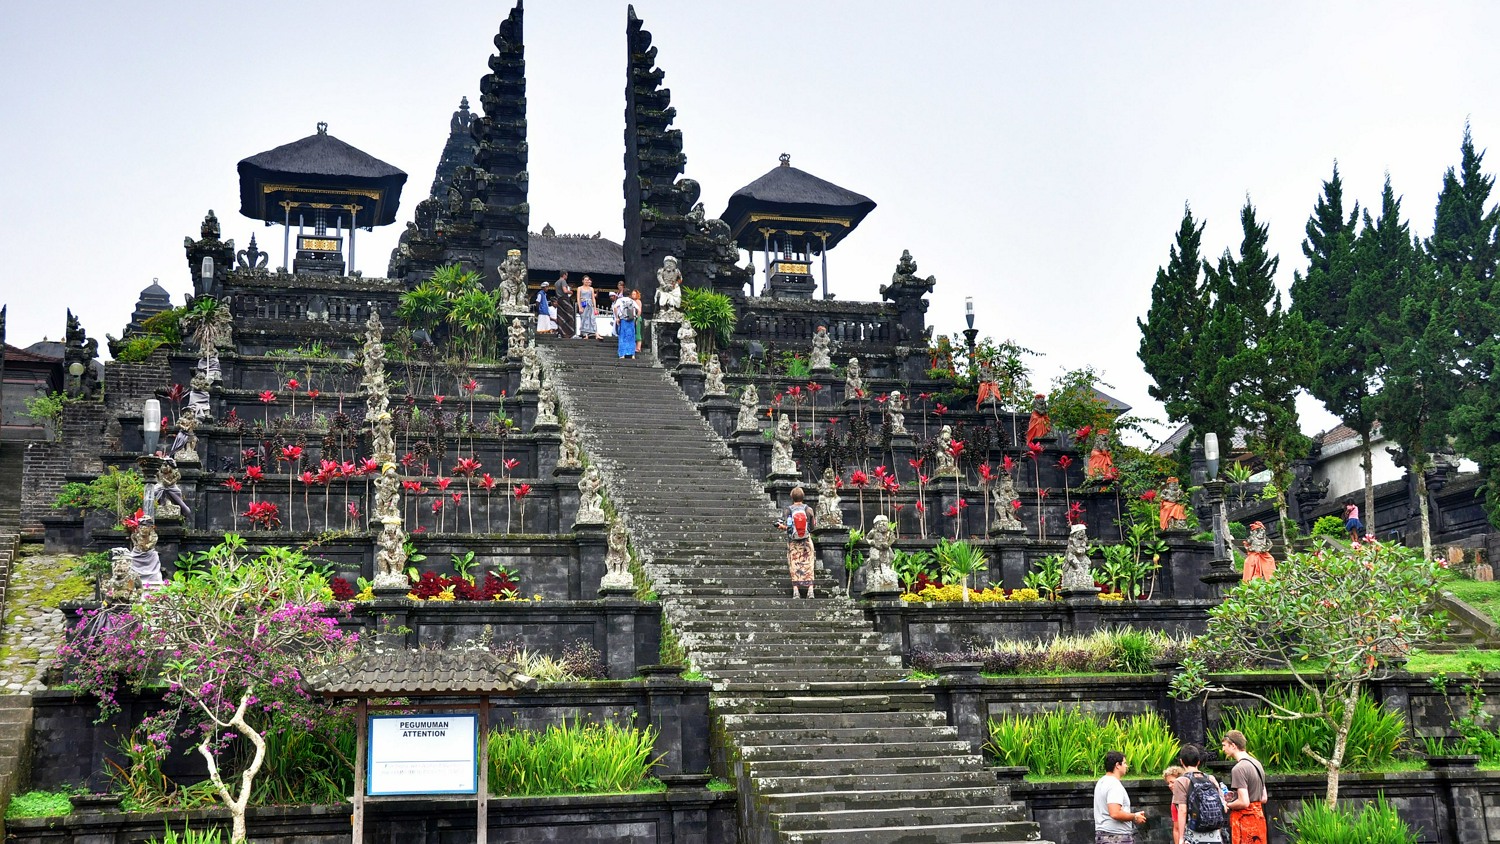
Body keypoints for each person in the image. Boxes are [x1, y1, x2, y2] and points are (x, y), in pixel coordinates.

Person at [1171, 745, 1227, 844]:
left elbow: (1182, 810)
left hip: (1193, 835)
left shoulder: (1181, 781)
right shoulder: (1210, 778)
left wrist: (1181, 838)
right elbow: (1223, 807)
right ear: (1198, 762)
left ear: (1181, 762)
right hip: (1215, 836)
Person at [1221, 730, 1268, 844]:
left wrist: (1227, 804)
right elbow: (1263, 798)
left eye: (1224, 745)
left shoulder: (1239, 768)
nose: (1223, 749)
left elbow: (1244, 802)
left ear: (1233, 745)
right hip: (1259, 819)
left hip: (1245, 822)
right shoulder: (1257, 764)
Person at [1094, 750, 1146, 843]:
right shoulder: (1114, 784)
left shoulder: (1101, 782)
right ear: (1117, 765)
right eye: (1125, 763)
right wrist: (1135, 816)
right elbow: (1115, 813)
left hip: (1102, 836)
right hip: (1116, 837)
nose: (1126, 766)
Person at [776, 486, 816, 599]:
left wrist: (781, 527)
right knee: (809, 563)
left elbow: (788, 527)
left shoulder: (788, 510)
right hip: (806, 541)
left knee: (794, 564)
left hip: (793, 542)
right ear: (803, 496)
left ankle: (796, 591)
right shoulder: (809, 510)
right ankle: (810, 590)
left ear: (791, 497)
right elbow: (812, 528)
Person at [612, 288, 639, 359]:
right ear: (629, 294)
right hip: (631, 320)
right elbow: (638, 309)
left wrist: (617, 317)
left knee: (622, 336)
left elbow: (615, 307)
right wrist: (636, 318)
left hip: (623, 319)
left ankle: (622, 354)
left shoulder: (620, 300)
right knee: (631, 336)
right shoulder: (632, 301)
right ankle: (632, 354)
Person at [1160, 765, 1185, 831]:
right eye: (1168, 783)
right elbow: (1176, 828)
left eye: (1172, 782)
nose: (1170, 785)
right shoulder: (1175, 799)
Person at [554, 273, 576, 339]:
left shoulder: (556, 282)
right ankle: (570, 333)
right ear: (564, 275)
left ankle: (561, 333)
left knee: (561, 316)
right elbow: (565, 291)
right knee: (570, 314)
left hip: (559, 299)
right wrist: (570, 292)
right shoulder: (563, 281)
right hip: (564, 299)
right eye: (566, 275)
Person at [576, 275, 598, 340]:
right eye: (585, 280)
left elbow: (593, 298)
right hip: (583, 304)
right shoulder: (579, 288)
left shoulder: (591, 288)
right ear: (583, 281)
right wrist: (580, 307)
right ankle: (585, 334)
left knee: (592, 318)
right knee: (584, 318)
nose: (586, 281)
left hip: (590, 304)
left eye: (587, 280)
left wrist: (595, 308)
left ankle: (593, 333)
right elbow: (578, 298)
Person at [631, 289, 644, 354]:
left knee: (637, 332)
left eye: (634, 294)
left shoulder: (638, 301)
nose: (633, 295)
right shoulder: (632, 301)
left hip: (637, 318)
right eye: (632, 294)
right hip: (633, 318)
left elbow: (639, 310)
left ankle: (638, 347)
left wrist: (637, 318)